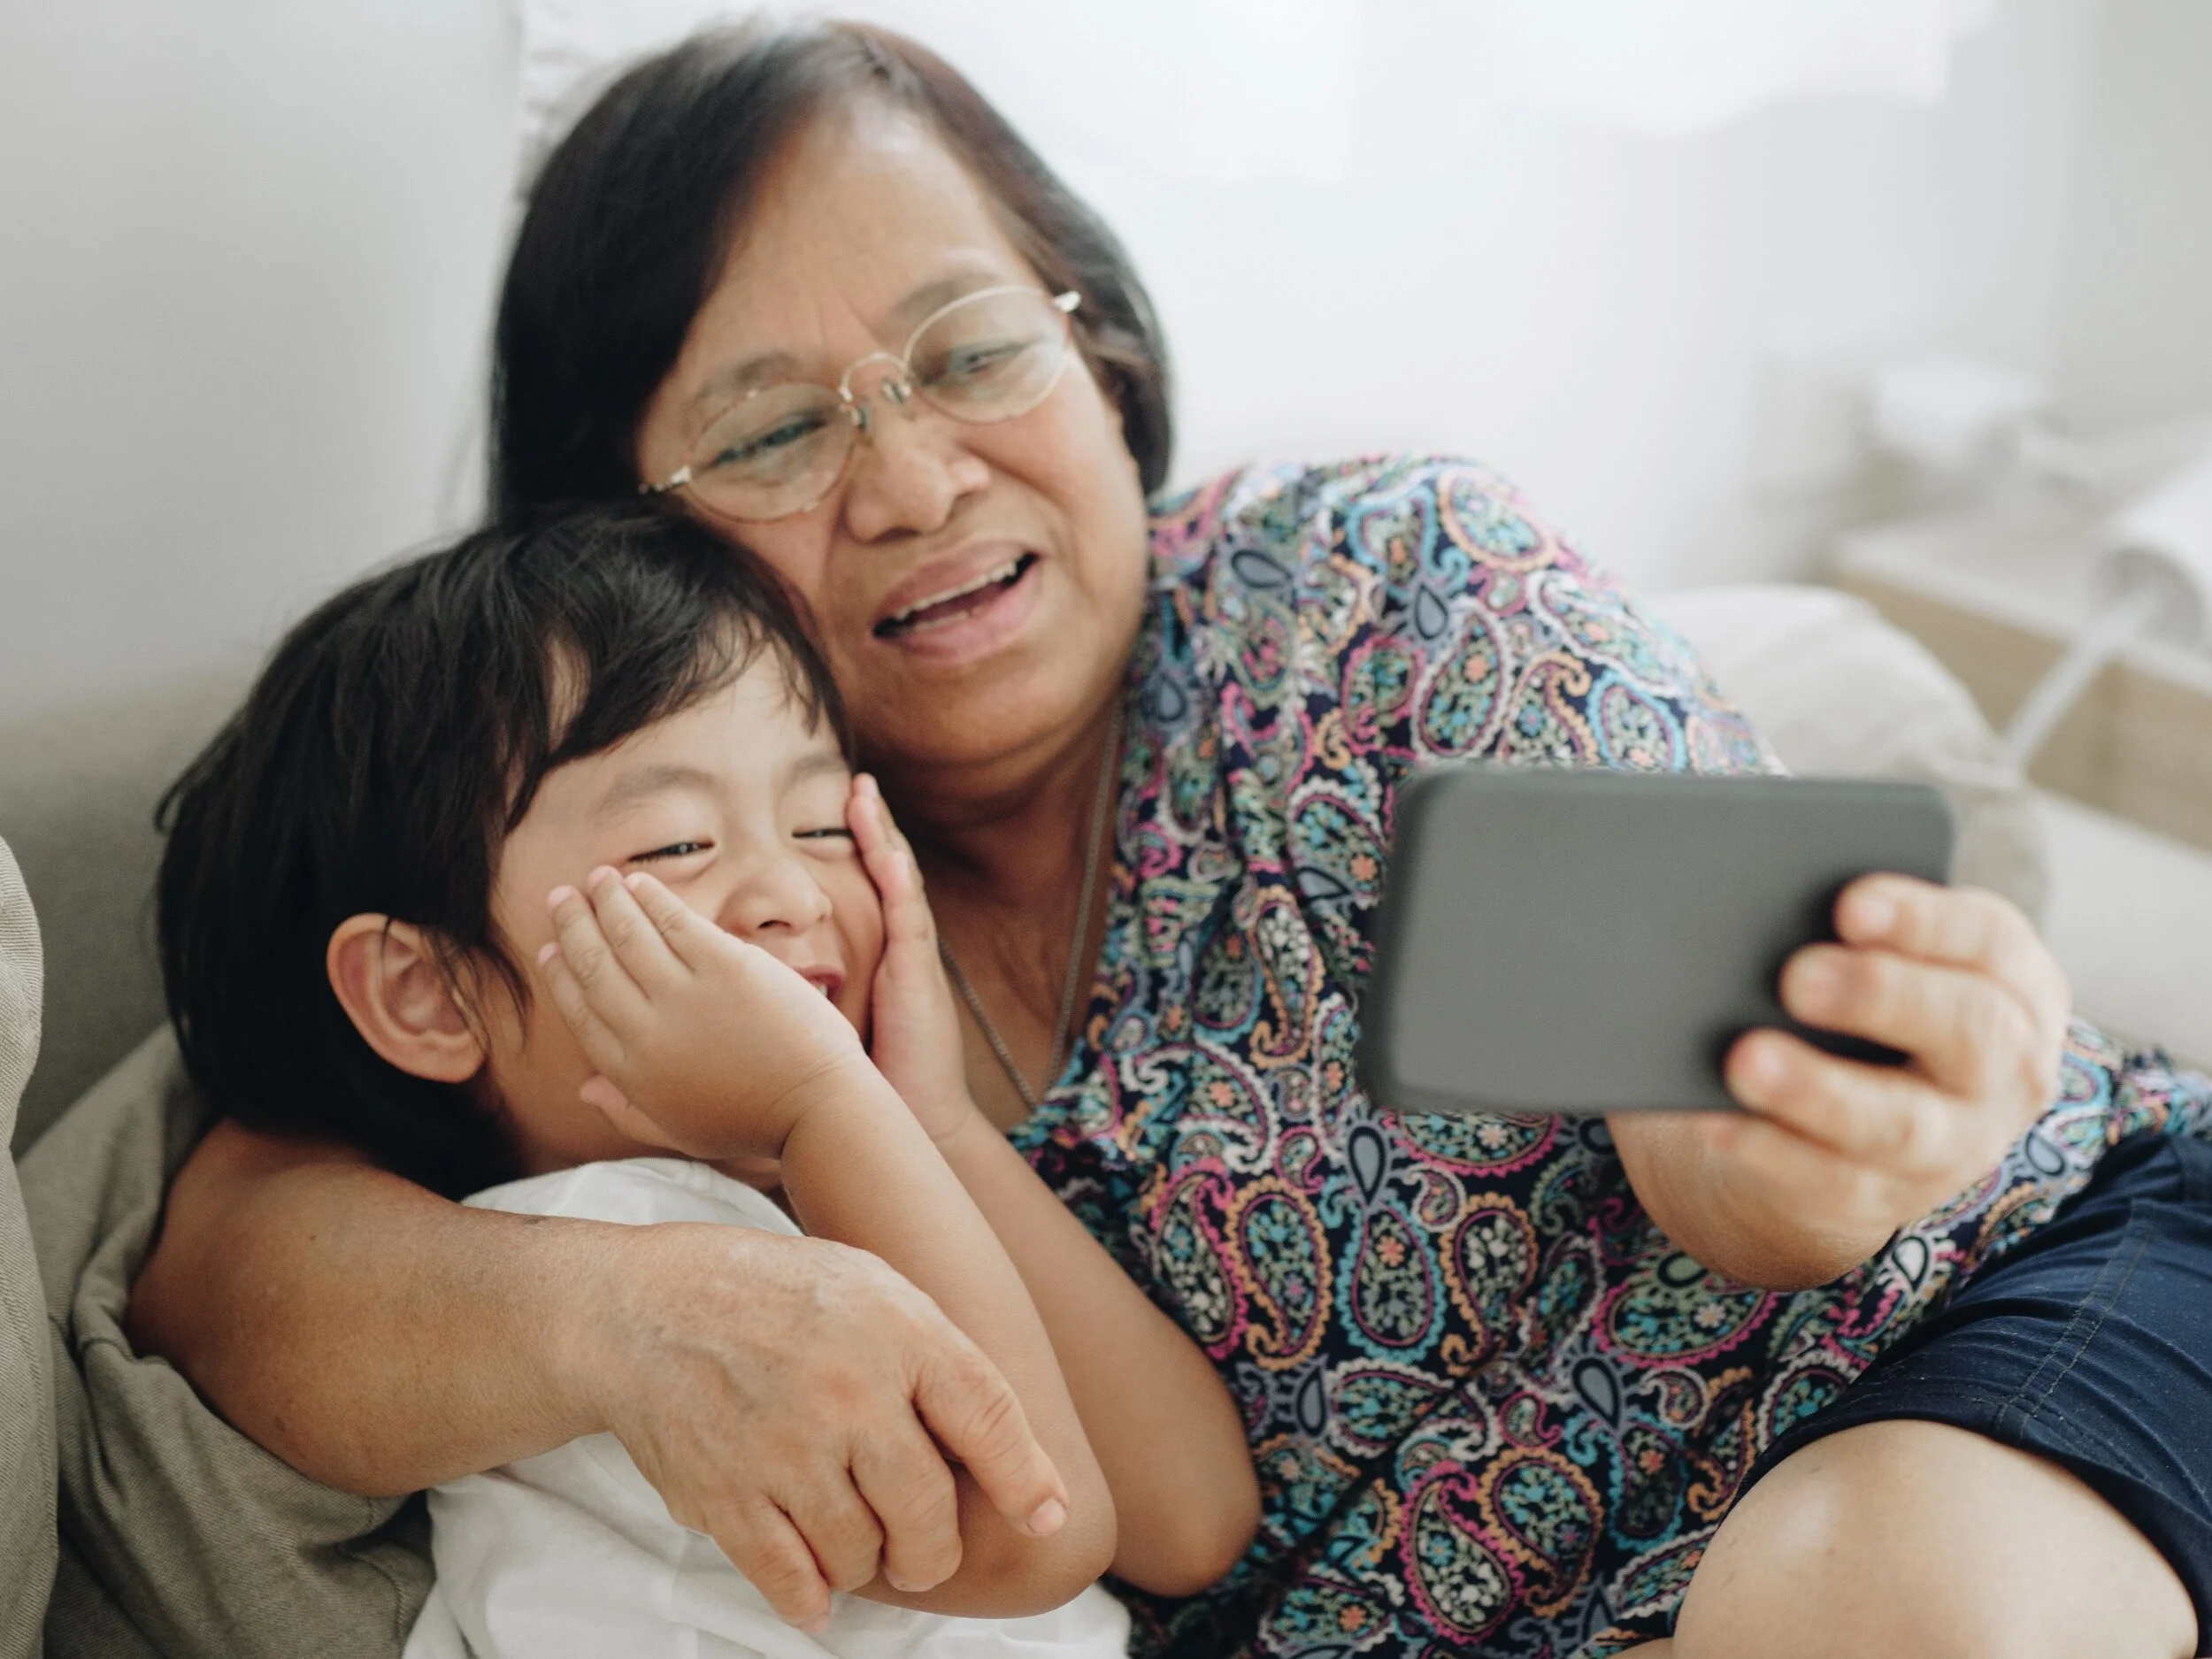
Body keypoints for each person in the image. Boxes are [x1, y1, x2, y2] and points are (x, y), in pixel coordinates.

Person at [127, 19, 2212, 1658]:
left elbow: (1742, 1121)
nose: (916, 473)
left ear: (1097, 357)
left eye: (969, 350)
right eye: (771, 427)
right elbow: (229, 1244)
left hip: (1966, 1339)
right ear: (618, 532)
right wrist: (626, 1321)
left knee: (1867, 1610)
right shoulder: (689, 909)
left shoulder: (1382, 591)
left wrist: (1802, 1127)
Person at [151, 504, 1258, 1657]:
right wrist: (825, 1102)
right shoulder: (623, 1231)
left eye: (826, 822)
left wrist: (929, 1124)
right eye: (676, 844)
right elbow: (1035, 1525)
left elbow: (1193, 1518)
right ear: (433, 994)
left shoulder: (809, 1188)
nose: (789, 890)